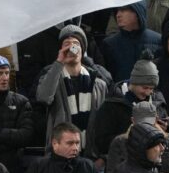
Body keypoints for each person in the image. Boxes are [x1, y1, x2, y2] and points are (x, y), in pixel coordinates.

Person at [34, 24, 113, 155]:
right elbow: (43, 97)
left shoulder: (98, 83)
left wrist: (103, 157)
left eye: (76, 43)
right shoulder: (51, 77)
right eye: (67, 44)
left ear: (82, 49)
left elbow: (105, 123)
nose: (71, 47)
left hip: (91, 155)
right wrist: (60, 62)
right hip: (59, 155)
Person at [102, 1, 162, 82]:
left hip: (151, 92)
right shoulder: (109, 44)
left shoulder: (158, 41)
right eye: (117, 11)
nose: (118, 15)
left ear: (137, 12)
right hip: (120, 92)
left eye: (123, 10)